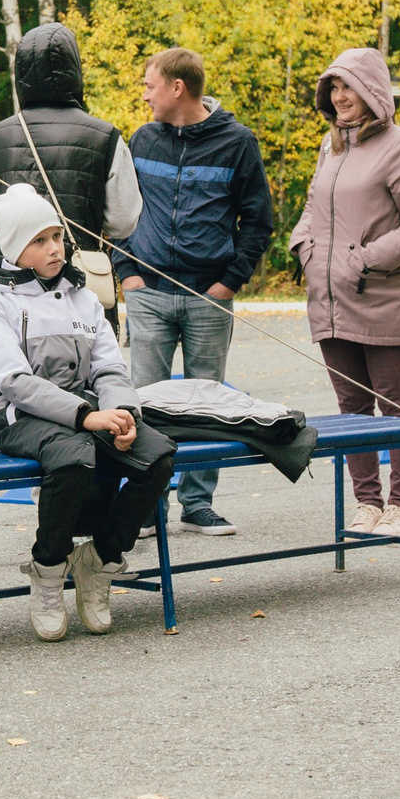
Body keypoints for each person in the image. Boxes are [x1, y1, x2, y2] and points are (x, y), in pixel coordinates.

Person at [0, 183, 175, 641]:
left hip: (87, 412)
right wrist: (87, 417)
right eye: (39, 240)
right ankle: (47, 570)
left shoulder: (83, 296)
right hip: (19, 417)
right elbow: (16, 384)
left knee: (157, 457)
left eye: (57, 236)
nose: (54, 248)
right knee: (74, 456)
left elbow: (109, 368)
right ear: (13, 249)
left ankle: (99, 561)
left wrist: (122, 414)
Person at [288, 47, 400, 539]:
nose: (339, 97)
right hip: (330, 302)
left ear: (372, 91)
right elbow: (315, 207)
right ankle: (367, 503)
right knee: (351, 410)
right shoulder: (330, 145)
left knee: (396, 406)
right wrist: (303, 246)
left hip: (384, 299)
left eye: (348, 87)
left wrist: (367, 258)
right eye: (333, 88)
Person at [115, 47, 274, 537]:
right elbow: (119, 212)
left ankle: (198, 504)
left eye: (150, 86)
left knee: (208, 403)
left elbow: (259, 221)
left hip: (210, 297)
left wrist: (229, 282)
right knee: (146, 405)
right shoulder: (141, 140)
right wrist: (127, 274)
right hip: (148, 293)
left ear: (177, 88)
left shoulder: (237, 142)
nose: (145, 95)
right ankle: (148, 505)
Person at [0, 23, 142, 313]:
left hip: (12, 296)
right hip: (81, 293)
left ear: (21, 73)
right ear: (74, 70)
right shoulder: (106, 137)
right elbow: (123, 222)